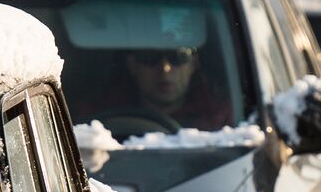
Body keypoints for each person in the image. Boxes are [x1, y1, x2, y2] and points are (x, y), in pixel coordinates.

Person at [99, 46, 232, 132]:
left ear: (193, 64)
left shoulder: (221, 119)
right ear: (132, 65)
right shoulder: (100, 115)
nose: (165, 69)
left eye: (178, 56)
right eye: (150, 57)